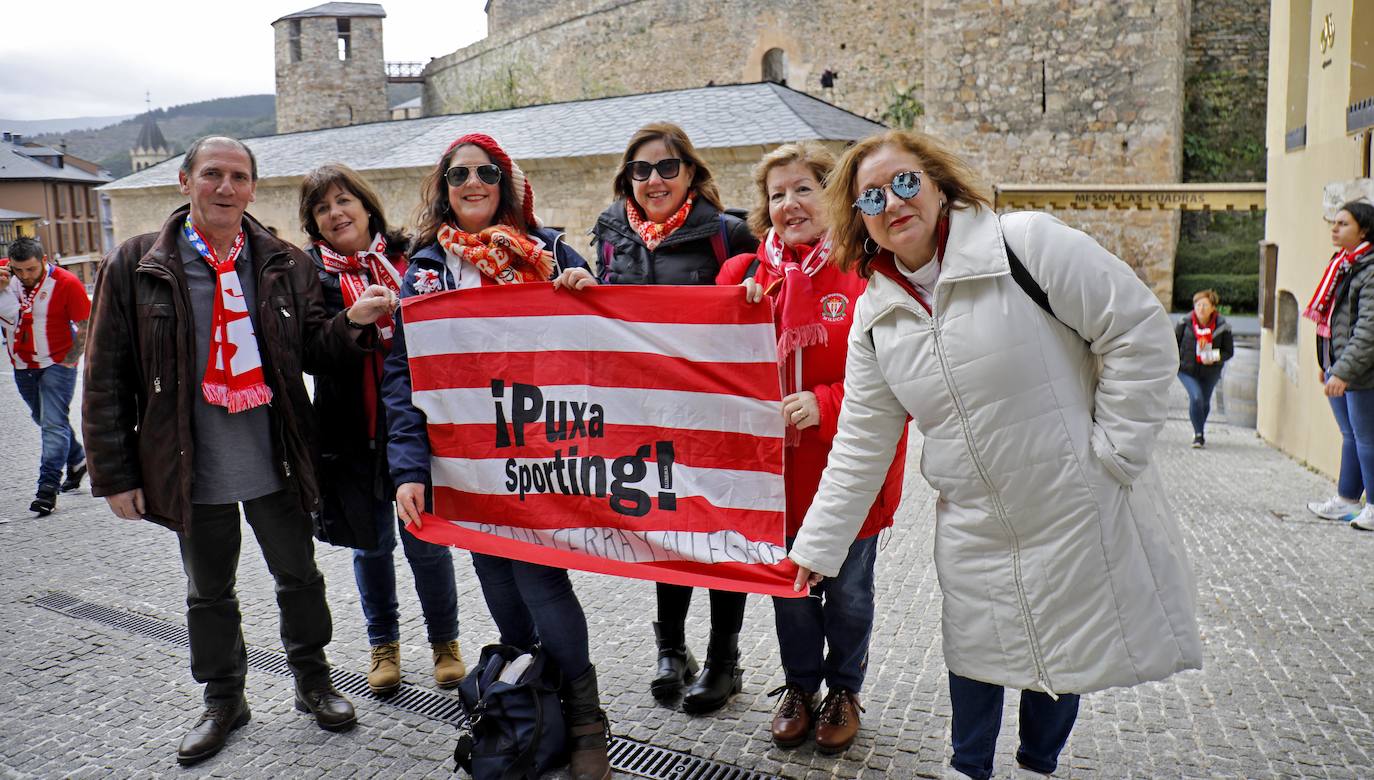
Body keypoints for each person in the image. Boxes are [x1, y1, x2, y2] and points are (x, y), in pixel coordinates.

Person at [786, 130, 1202, 780]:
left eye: (904, 183)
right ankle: (966, 769)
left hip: (1068, 507)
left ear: (937, 182)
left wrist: (1114, 456)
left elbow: (1138, 330)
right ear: (858, 219)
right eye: (872, 196)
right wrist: (819, 546)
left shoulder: (1026, 245)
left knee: (1061, 658)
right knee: (977, 655)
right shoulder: (876, 316)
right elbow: (863, 443)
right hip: (974, 523)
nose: (893, 203)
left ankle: (1039, 766)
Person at [83, 136, 395, 766]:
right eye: (212, 175)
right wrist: (114, 474)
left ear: (253, 188)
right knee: (208, 592)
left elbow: (314, 351)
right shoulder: (137, 263)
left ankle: (313, 681)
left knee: (300, 578)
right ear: (185, 181)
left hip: (276, 454)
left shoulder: (279, 261)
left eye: (239, 177)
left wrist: (354, 322)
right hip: (190, 464)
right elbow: (106, 374)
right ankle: (224, 698)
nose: (225, 188)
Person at [382, 133, 611, 780]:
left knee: (540, 578)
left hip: (538, 450)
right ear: (444, 189)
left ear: (505, 183)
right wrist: (408, 467)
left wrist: (589, 293)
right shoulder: (425, 271)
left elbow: (609, 344)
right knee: (497, 580)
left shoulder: (551, 252)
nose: (473, 182)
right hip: (465, 461)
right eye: (459, 175)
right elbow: (403, 376)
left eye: (487, 172)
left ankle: (587, 717)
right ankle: (535, 703)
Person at [716, 142, 905, 754]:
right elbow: (700, 362)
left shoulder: (869, 270)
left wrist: (823, 402)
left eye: (804, 188)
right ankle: (800, 686)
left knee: (848, 593)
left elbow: (902, 374)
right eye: (776, 194)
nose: (789, 204)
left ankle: (844, 689)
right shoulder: (744, 278)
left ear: (834, 195)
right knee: (791, 593)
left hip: (852, 470)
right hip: (779, 476)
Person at [584, 122, 760, 714]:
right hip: (646, 414)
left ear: (690, 172)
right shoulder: (611, 232)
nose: (654, 179)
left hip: (715, 416)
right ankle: (670, 649)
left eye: (667, 167)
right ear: (627, 178)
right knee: (667, 527)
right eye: (641, 169)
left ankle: (723, 659)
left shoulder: (728, 233)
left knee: (721, 533)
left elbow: (762, 310)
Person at [298, 163, 464, 695]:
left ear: (367, 206)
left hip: (416, 431)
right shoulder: (312, 277)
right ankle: (383, 645)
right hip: (352, 431)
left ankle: (445, 643)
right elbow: (308, 353)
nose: (336, 213)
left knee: (427, 544)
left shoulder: (412, 258)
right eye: (322, 208)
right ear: (314, 224)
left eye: (344, 201)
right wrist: (350, 322)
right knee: (371, 548)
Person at [0, 235, 90, 516]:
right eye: (18, 270)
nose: (24, 276)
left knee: (52, 425)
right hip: (23, 366)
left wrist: (69, 362)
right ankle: (78, 459)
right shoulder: (5, 276)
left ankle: (46, 490)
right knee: (47, 420)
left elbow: (87, 325)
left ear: (43, 260)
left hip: (57, 364)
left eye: (31, 269)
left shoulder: (66, 283)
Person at [1304, 201, 1374, 529]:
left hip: (1362, 371)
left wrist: (1344, 370)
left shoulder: (1369, 268)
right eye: (1334, 222)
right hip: (1340, 364)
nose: (1334, 228)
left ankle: (1372, 506)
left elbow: (1367, 330)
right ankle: (1347, 499)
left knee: (1367, 438)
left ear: (1364, 230)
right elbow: (1334, 320)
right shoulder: (1343, 264)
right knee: (1351, 435)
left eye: (1343, 223)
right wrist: (1327, 360)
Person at [1175, 289, 1234, 448]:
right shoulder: (1184, 322)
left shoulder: (1222, 326)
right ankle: (1199, 435)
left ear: (1213, 308)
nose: (1201, 308)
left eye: (1205, 305)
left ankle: (1199, 430)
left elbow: (1229, 352)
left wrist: (1214, 357)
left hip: (1211, 371)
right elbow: (1174, 344)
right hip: (1186, 369)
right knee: (1196, 397)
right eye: (1198, 304)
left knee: (1205, 402)